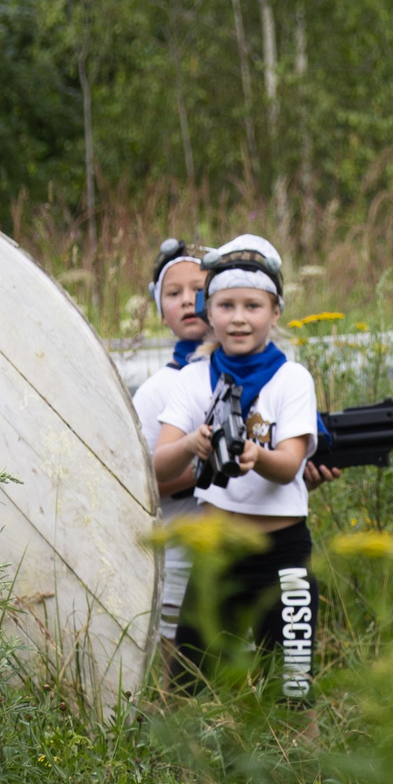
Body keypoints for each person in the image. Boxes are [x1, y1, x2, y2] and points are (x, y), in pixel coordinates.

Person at [151, 235, 320, 701]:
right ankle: (182, 774)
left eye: (253, 306)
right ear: (210, 312)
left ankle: (304, 774)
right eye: (226, 305)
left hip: (282, 556)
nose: (239, 318)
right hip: (217, 552)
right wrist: (192, 442)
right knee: (189, 680)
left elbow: (288, 466)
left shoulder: (292, 379)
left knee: (293, 686)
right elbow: (160, 468)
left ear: (275, 312)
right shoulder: (193, 379)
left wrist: (255, 456)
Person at [132, 237, 213, 646]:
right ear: (160, 311)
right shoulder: (154, 393)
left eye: (199, 291)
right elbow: (137, 485)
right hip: (178, 559)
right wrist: (208, 471)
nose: (187, 301)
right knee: (176, 679)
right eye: (174, 293)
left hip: (238, 558)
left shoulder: (252, 376)